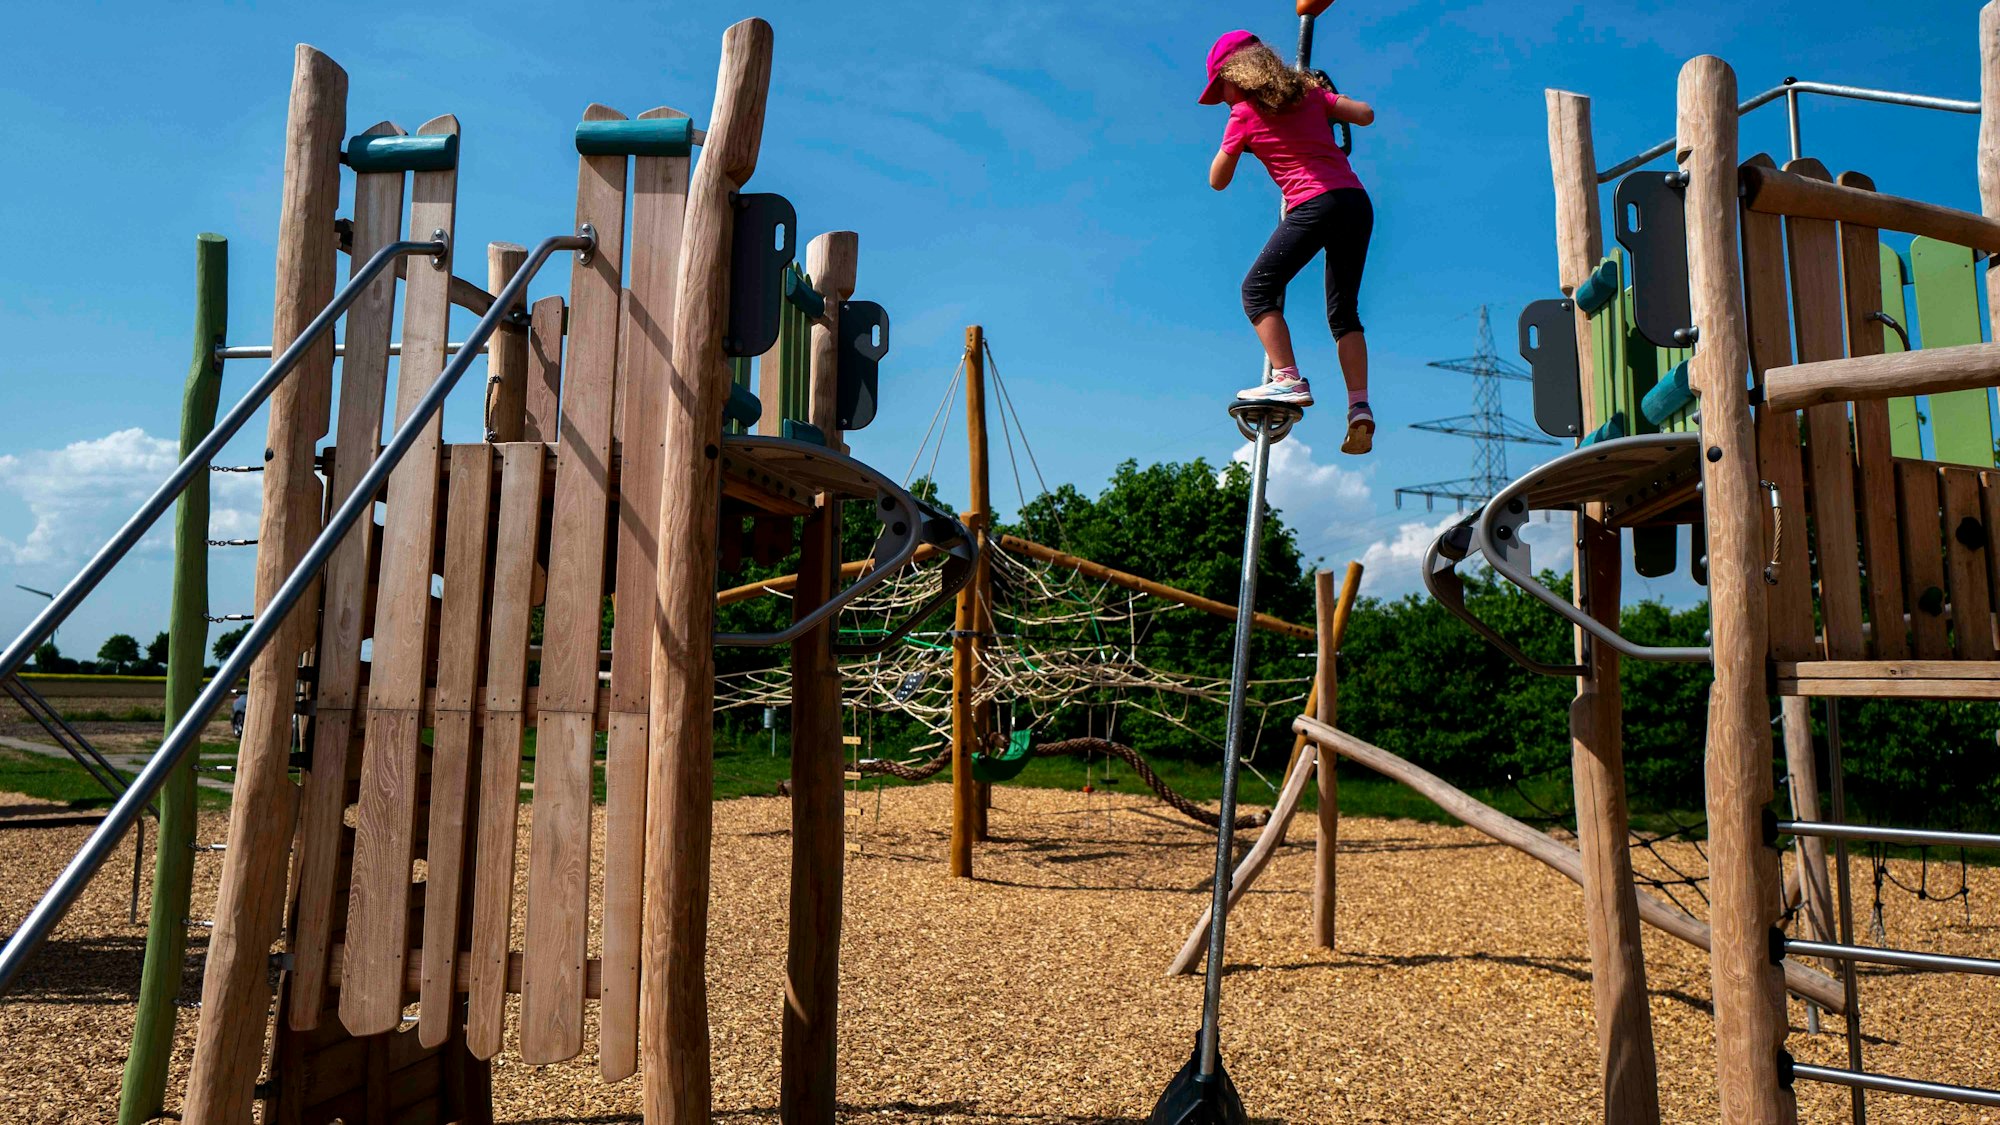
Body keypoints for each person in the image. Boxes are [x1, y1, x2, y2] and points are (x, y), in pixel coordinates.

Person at [1202, 29, 1377, 454]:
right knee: (1343, 313)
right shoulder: (1311, 96)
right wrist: (1323, 100)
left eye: (1220, 87)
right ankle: (1359, 406)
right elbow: (1366, 114)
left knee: (1256, 290)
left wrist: (1240, 141)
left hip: (1313, 204)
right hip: (1355, 202)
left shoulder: (1242, 114)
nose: (1221, 98)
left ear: (1236, 74)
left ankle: (1287, 378)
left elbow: (1217, 180)